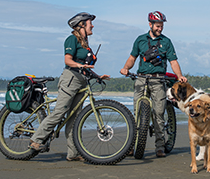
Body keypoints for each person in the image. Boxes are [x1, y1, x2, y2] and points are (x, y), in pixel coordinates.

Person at [29, 12, 110, 161]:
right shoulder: (71, 39)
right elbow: (68, 60)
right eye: (89, 23)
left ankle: (73, 153)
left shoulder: (85, 44)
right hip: (70, 79)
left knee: (74, 118)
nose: (92, 25)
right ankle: (36, 140)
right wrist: (80, 65)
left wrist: (98, 77)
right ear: (81, 25)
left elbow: (85, 66)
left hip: (82, 81)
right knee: (60, 112)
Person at [120, 11, 187, 157]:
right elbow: (132, 57)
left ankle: (160, 146)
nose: (160, 28)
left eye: (161, 26)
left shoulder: (167, 42)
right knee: (137, 114)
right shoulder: (140, 40)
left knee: (158, 113)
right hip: (141, 78)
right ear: (150, 25)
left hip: (158, 80)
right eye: (157, 26)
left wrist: (180, 75)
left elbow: (173, 61)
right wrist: (126, 68)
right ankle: (133, 145)